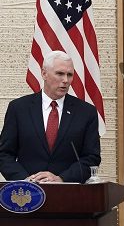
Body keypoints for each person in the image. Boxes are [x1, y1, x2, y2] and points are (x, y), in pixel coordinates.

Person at [0, 50, 100, 183]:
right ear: (44, 74)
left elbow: (91, 157)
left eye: (70, 75)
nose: (65, 80)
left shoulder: (86, 112)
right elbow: (4, 154)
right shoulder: (18, 108)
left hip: (69, 190)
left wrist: (61, 179)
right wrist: (25, 180)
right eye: (60, 73)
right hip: (27, 190)